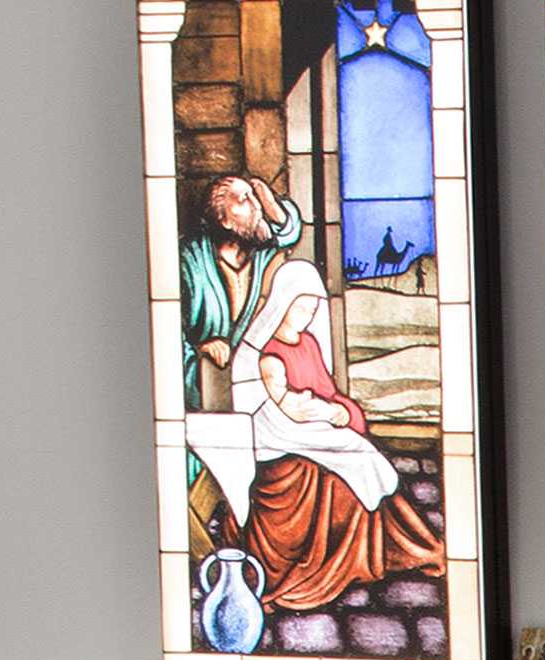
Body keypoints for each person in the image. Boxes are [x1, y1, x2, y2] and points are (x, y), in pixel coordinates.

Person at [191, 261, 444, 612]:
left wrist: (340, 412)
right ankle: (333, 568)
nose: (307, 314)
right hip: (280, 451)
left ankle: (413, 549)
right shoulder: (265, 353)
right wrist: (313, 416)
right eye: (301, 305)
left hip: (313, 435)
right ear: (282, 302)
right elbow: (275, 409)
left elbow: (325, 392)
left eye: (312, 307)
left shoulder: (308, 343)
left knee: (362, 460)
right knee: (340, 480)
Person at [179, 174, 304, 411]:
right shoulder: (190, 261)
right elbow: (167, 331)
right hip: (200, 387)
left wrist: (270, 203)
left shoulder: (259, 255)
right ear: (224, 220)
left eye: (254, 197)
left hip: (248, 383)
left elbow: (289, 233)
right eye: (244, 199)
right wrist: (200, 351)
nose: (256, 205)